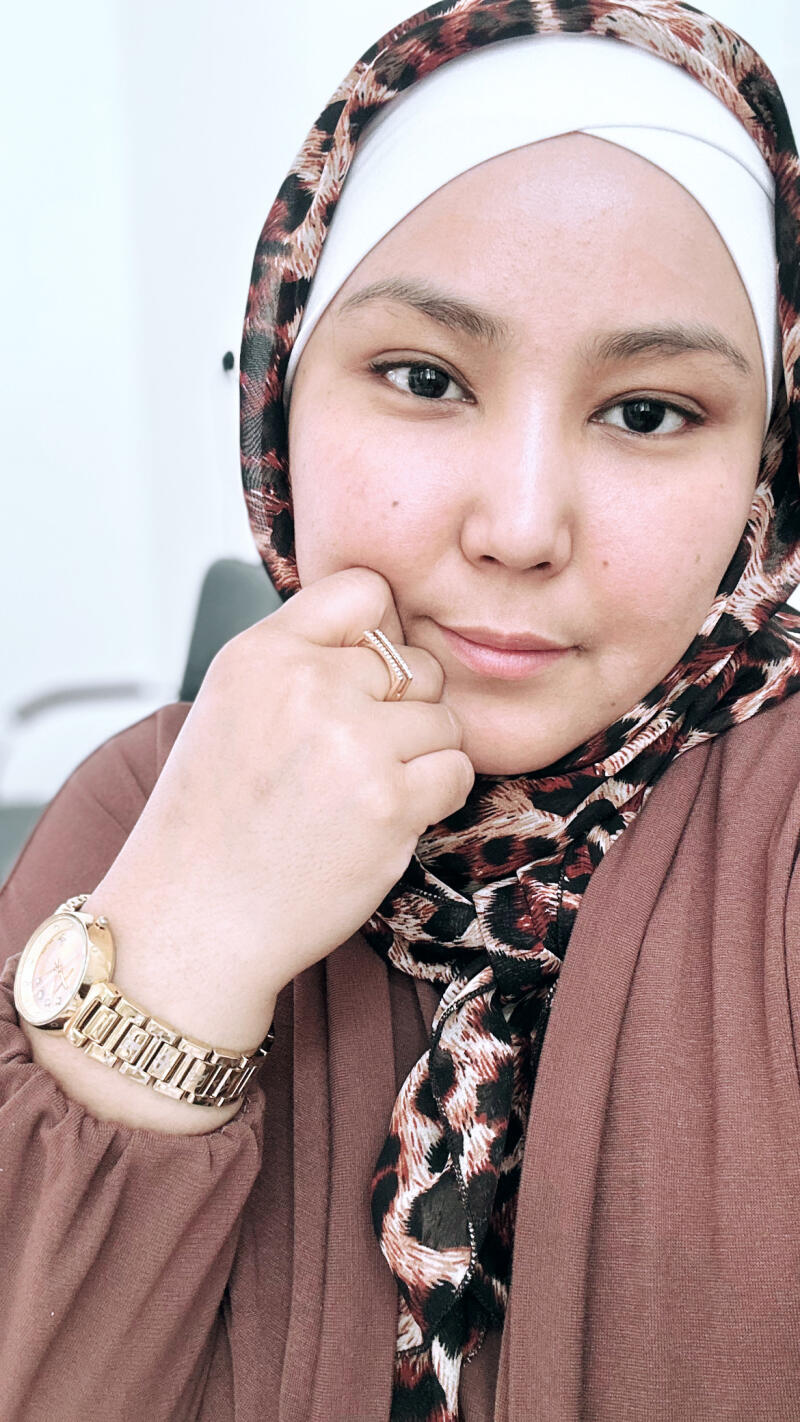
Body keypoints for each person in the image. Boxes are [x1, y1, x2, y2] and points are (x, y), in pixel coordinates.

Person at [2, 1, 800, 1418]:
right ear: (275, 397)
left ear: (768, 470)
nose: (519, 523)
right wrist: (184, 939)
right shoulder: (138, 806)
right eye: (425, 379)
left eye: (652, 411)